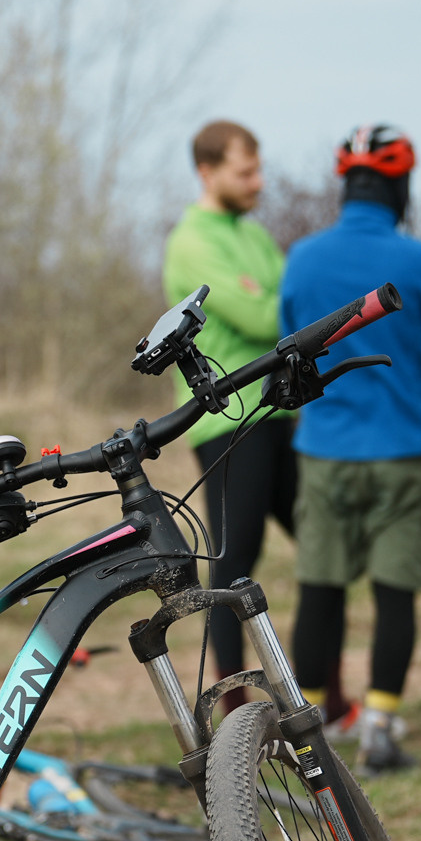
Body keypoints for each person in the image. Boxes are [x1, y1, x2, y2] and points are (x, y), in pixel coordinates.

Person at [278, 124, 421, 775]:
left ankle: (308, 736)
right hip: (406, 450)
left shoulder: (301, 259)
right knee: (395, 593)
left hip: (325, 449)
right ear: (401, 188)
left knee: (320, 589)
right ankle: (381, 729)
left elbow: (288, 350)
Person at [162, 120, 300, 698]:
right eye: (246, 172)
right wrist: (284, 304)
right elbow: (268, 318)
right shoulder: (194, 241)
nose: (258, 182)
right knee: (233, 559)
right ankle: (232, 700)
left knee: (319, 546)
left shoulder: (254, 235)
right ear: (208, 171)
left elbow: (284, 303)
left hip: (278, 413)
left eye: (259, 169)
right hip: (226, 420)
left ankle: (327, 686)